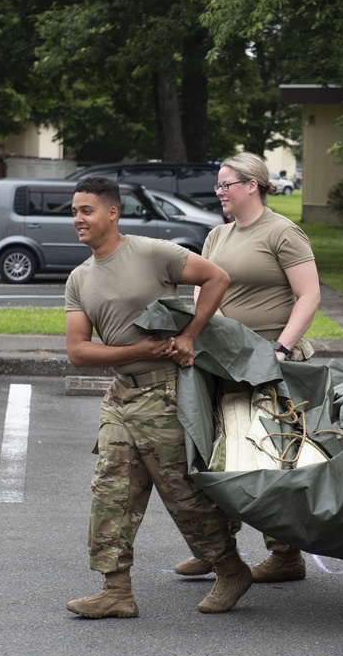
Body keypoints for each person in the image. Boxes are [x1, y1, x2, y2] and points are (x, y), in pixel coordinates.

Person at [64, 175, 253, 619]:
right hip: (120, 397)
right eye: (74, 212)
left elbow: (216, 277)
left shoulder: (151, 252)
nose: (78, 219)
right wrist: (134, 351)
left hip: (164, 392)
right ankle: (115, 590)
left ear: (113, 212)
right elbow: (78, 351)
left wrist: (189, 335)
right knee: (111, 492)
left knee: (182, 492)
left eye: (86, 210)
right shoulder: (79, 278)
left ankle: (230, 569)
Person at [172, 151, 321, 583]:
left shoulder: (283, 233)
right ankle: (217, 548)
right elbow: (204, 293)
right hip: (221, 361)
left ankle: (286, 554)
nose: (218, 192)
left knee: (269, 459)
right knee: (214, 453)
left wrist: (282, 349)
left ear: (251, 185)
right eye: (218, 186)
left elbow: (309, 296)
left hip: (268, 364)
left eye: (225, 185)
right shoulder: (218, 236)